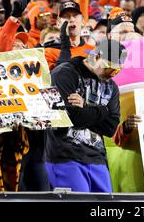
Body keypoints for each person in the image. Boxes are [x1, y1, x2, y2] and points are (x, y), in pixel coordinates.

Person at [45, 39, 127, 192]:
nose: (112, 75)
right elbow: (70, 117)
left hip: (98, 158)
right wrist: (103, 111)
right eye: (110, 69)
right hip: (65, 155)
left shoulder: (111, 86)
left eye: (117, 71)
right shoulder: (64, 73)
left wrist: (86, 106)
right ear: (96, 57)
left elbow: (110, 127)